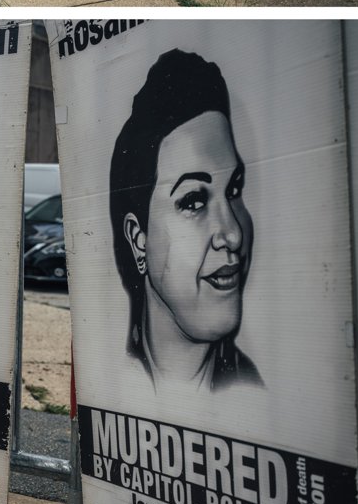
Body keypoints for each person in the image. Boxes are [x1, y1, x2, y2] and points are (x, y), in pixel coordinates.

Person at [109, 49, 262, 392]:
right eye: (193, 201)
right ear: (138, 238)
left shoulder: (256, 397)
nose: (233, 233)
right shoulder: (110, 377)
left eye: (234, 189)